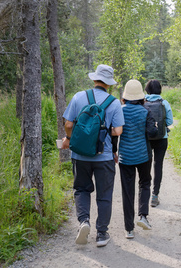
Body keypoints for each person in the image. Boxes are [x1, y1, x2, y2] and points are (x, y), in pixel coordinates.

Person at [61, 64, 124, 247]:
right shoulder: (113, 102)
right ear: (109, 84)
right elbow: (118, 130)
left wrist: (69, 138)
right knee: (104, 195)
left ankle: (84, 222)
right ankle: (102, 234)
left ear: (94, 79)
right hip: (103, 157)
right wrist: (101, 132)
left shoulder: (79, 97)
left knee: (81, 189)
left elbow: (69, 124)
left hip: (80, 156)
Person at [118, 79, 158, 239]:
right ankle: (143, 216)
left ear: (125, 96)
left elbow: (116, 133)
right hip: (143, 155)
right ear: (141, 96)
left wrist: (114, 151)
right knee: (145, 183)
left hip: (125, 157)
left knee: (127, 191)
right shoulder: (145, 110)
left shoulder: (120, 111)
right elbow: (152, 133)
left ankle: (129, 229)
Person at [144, 79, 173, 207]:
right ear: (159, 89)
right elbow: (170, 121)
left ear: (147, 89)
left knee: (146, 165)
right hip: (162, 138)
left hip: (146, 137)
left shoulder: (142, 102)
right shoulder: (164, 103)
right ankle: (155, 196)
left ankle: (144, 193)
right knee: (158, 165)